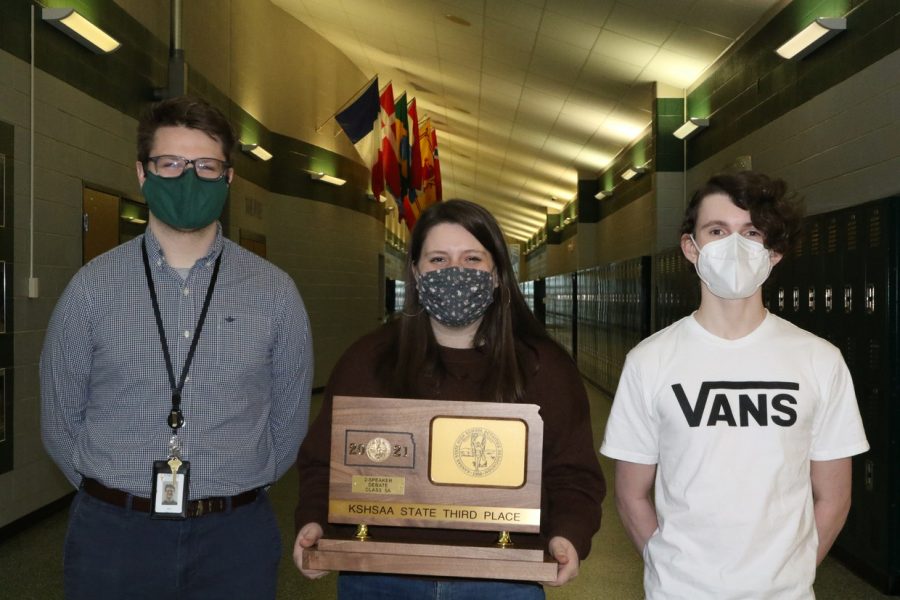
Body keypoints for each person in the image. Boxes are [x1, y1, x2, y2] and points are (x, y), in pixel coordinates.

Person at [40, 96, 313, 600]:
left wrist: (242, 482)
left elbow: (290, 416)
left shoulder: (275, 292)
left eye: (206, 166)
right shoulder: (91, 288)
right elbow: (60, 416)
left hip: (235, 536)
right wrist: (113, 490)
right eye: (171, 163)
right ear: (142, 174)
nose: (189, 178)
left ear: (228, 178)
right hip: (115, 534)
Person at [293, 199, 605, 599]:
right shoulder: (367, 361)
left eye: (472, 258)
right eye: (438, 259)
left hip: (501, 580)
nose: (455, 272)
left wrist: (569, 535)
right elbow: (325, 462)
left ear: (496, 275)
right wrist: (314, 521)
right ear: (416, 274)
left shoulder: (544, 368)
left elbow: (574, 474)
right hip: (380, 575)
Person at [600, 171, 869, 599]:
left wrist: (789, 575)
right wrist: (668, 571)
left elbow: (834, 497)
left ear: (774, 251)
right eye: (717, 230)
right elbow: (631, 494)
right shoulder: (649, 362)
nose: (735, 245)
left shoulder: (819, 360)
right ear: (691, 247)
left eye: (752, 232)